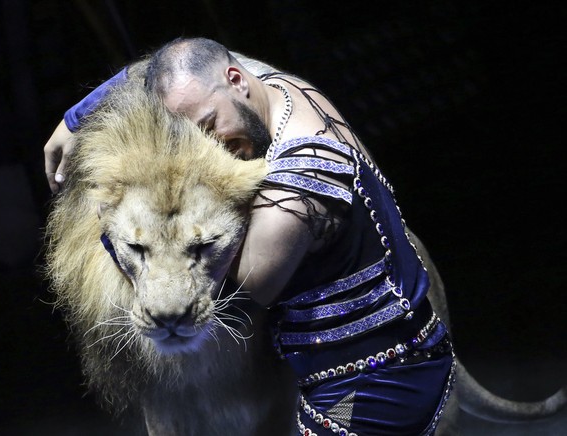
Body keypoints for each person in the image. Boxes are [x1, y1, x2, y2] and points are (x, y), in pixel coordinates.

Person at [44, 37, 455, 436]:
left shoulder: (293, 192)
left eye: (208, 126)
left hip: (374, 385)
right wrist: (76, 117)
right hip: (388, 346)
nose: (210, 150)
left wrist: (114, 231)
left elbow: (238, 296)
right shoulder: (284, 90)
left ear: (237, 80)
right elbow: (181, 62)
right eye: (189, 137)